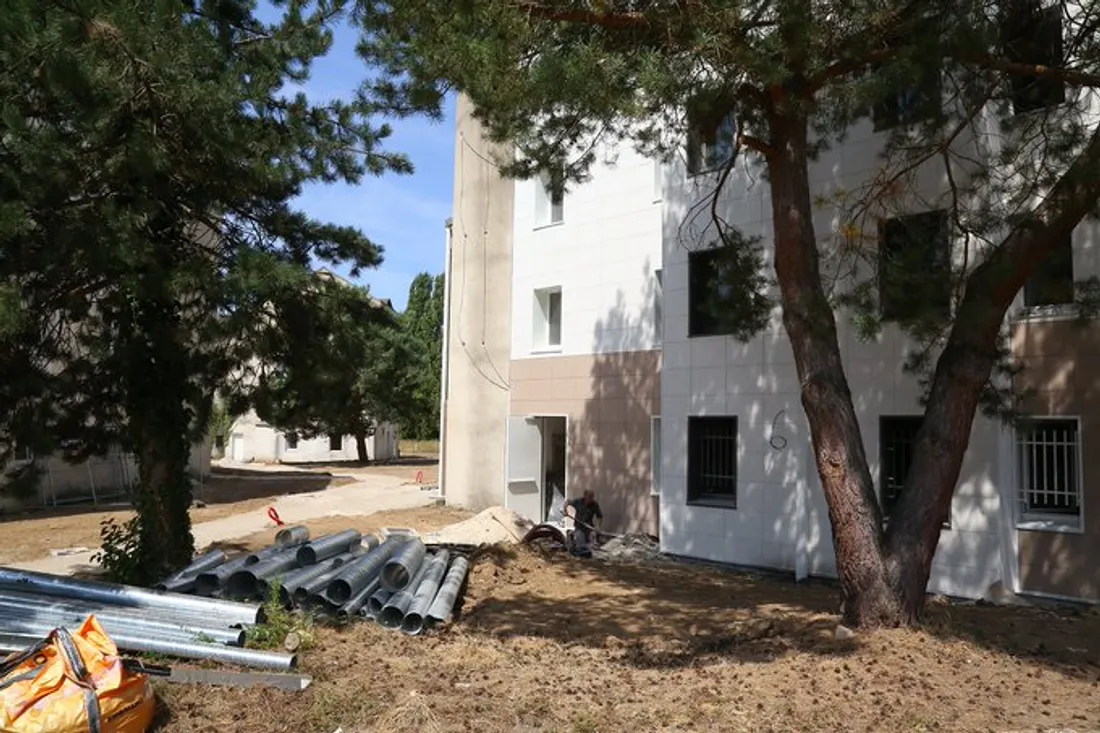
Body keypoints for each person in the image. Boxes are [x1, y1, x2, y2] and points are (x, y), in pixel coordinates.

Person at [565, 490, 603, 556]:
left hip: (589, 527)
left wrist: (598, 526)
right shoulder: (578, 502)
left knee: (592, 542)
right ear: (585, 496)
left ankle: (588, 553)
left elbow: (599, 517)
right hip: (579, 527)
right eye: (589, 497)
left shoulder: (594, 504)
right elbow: (567, 502)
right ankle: (577, 548)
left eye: (592, 497)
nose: (591, 499)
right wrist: (565, 511)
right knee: (580, 541)